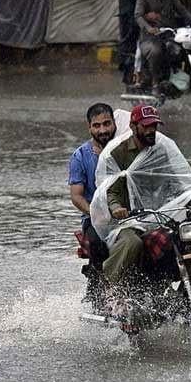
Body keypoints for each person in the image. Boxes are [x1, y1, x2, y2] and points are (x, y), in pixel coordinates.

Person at [90, 104, 191, 291]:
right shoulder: (117, 152)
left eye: (154, 126)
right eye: (146, 126)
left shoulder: (161, 149)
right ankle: (112, 289)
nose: (151, 131)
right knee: (132, 243)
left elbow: (175, 184)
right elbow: (111, 190)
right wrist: (117, 208)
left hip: (158, 214)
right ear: (133, 126)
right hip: (127, 220)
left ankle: (190, 284)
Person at [68, 103, 118, 308]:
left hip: (127, 215)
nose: (103, 130)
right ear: (89, 128)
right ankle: (101, 286)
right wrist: (96, 213)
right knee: (98, 242)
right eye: (97, 125)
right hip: (94, 220)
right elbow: (76, 196)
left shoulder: (123, 149)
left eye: (107, 123)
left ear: (115, 123)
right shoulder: (80, 156)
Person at [134, 0, 191, 96]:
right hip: (149, 37)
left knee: (185, 48)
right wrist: (149, 28)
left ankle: (182, 78)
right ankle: (155, 84)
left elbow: (182, 10)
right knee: (156, 51)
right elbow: (138, 16)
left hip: (169, 34)